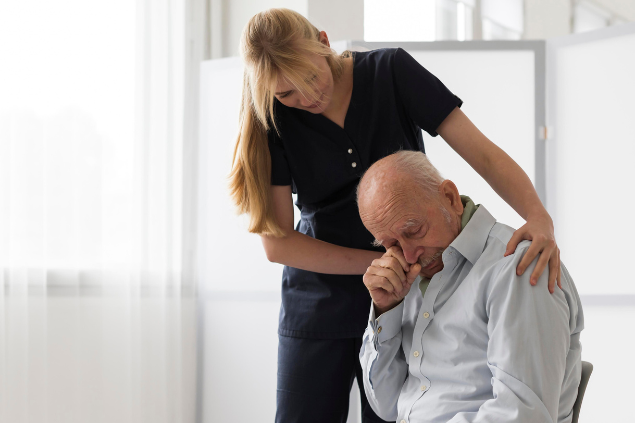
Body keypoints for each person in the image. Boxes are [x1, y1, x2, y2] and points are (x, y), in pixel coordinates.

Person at [229, 8, 562, 423]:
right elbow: (276, 243)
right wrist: (384, 265)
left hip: (405, 297)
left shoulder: (391, 71)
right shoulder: (272, 116)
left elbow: (483, 154)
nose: (306, 98)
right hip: (320, 300)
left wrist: (539, 217)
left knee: (396, 414)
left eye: (311, 78)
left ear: (325, 41)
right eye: (287, 94)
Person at [357, 150, 584, 423]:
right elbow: (387, 405)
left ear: (450, 198)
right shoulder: (409, 276)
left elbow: (522, 414)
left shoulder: (516, 268)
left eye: (414, 230)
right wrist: (387, 309)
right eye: (390, 244)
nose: (407, 255)